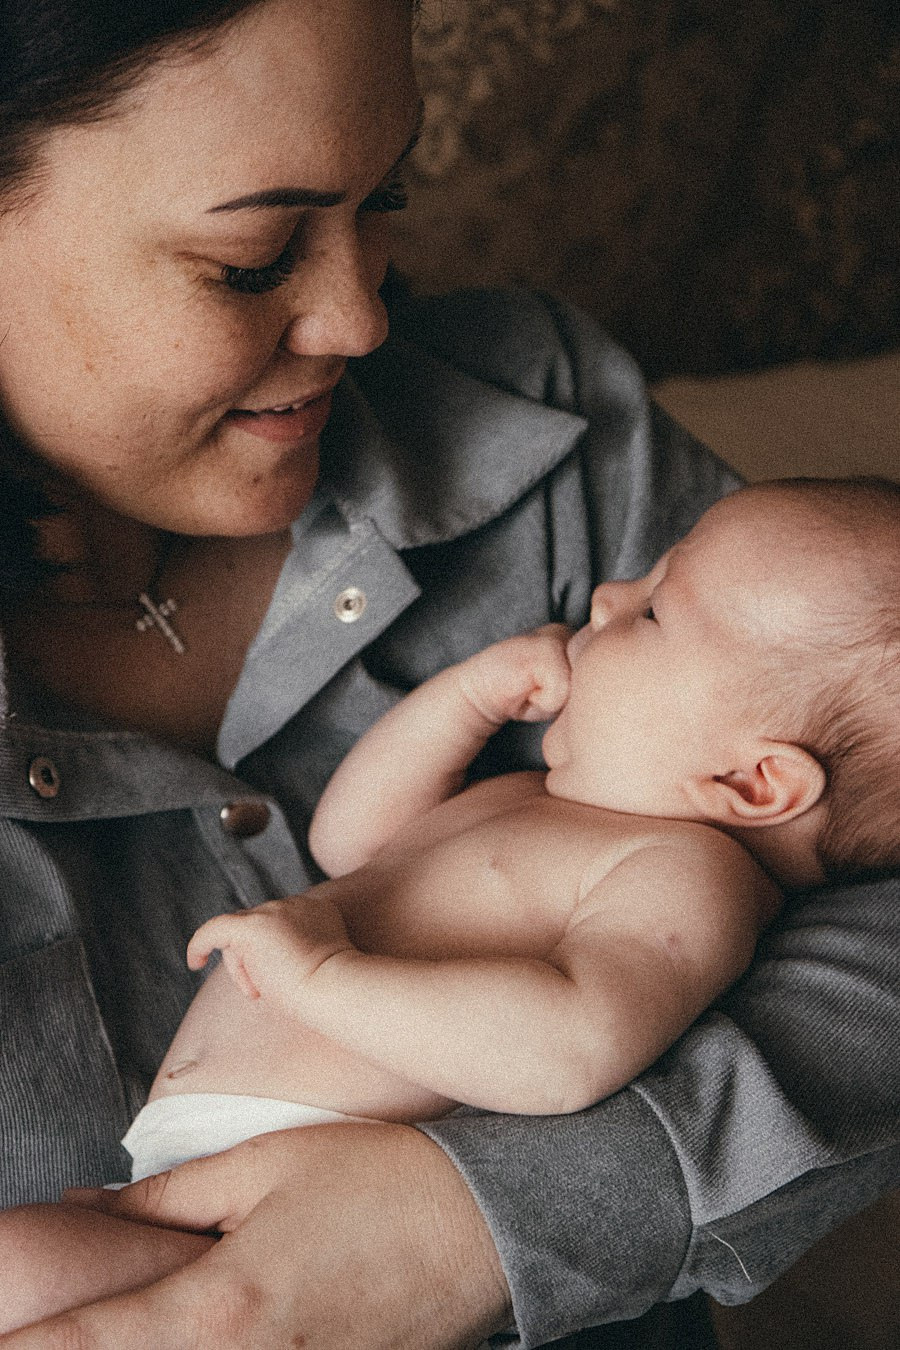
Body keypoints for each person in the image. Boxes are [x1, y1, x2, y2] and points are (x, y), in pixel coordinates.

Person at [0, 1, 896, 1346]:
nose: (362, 318)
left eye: (386, 199)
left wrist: (485, 1217)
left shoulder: (541, 430)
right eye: (251, 259)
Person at [2, 474, 899, 1333]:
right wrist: (465, 701)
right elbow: (351, 845)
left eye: (657, 611)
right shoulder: (554, 804)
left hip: (309, 1223)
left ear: (752, 781)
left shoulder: (686, 876)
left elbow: (568, 1050)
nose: (608, 597)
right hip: (197, 1180)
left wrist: (321, 975)